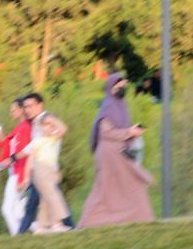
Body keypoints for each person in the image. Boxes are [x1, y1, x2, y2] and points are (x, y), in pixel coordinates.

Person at [80, 74, 155, 229]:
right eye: (119, 85)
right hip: (109, 153)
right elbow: (106, 133)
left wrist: (132, 132)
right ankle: (90, 221)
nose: (122, 88)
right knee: (105, 189)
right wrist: (130, 132)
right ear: (111, 87)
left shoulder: (121, 105)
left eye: (124, 85)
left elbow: (120, 129)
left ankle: (141, 218)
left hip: (120, 151)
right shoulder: (108, 106)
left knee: (131, 184)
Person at [20, 92, 73, 234]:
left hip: (47, 169)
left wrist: (53, 137)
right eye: (25, 107)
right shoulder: (37, 123)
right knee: (42, 201)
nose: (27, 110)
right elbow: (31, 149)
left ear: (40, 105)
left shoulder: (45, 118)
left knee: (45, 200)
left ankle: (45, 227)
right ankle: (51, 226)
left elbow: (63, 129)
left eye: (30, 106)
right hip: (42, 169)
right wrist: (13, 158)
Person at [0, 99, 33, 236]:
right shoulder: (19, 128)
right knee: (17, 211)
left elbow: (26, 154)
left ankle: (19, 237)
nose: (11, 113)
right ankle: (38, 229)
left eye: (13, 110)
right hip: (15, 173)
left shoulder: (25, 128)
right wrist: (1, 137)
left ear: (22, 110)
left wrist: (23, 178)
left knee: (7, 210)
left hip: (18, 174)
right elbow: (9, 149)